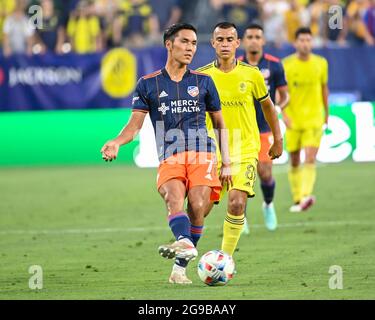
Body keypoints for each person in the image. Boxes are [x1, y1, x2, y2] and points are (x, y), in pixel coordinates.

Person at [100, 23, 232, 284]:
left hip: (201, 153)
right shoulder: (148, 84)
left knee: (197, 206)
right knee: (173, 198)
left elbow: (219, 124)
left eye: (194, 43)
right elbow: (134, 125)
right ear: (169, 45)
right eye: (184, 42)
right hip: (169, 154)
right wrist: (117, 142)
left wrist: (226, 162)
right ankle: (184, 244)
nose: (190, 48)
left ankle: (179, 267)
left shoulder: (204, 82)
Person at [197, 22, 283, 257]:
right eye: (220, 40)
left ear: (238, 43)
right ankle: (185, 249)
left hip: (245, 149)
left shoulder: (252, 74)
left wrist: (278, 139)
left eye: (230, 39)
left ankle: (224, 259)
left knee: (236, 203)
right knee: (199, 208)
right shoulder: (202, 76)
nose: (225, 44)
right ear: (213, 43)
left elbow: (268, 107)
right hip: (213, 151)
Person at [238, 23, 289, 232]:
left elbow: (285, 95)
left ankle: (268, 205)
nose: (253, 40)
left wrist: (278, 107)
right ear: (243, 41)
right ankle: (239, 216)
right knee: (240, 176)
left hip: (264, 128)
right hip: (240, 130)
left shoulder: (274, 65)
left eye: (257, 37)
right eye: (249, 36)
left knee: (265, 173)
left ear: (263, 41)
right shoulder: (234, 65)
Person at [282, 27, 329, 212]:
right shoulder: (286, 64)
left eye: (308, 40)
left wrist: (327, 112)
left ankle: (305, 196)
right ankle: (297, 198)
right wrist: (284, 115)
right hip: (294, 119)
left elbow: (324, 88)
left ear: (312, 42)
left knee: (310, 157)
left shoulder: (321, 63)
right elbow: (281, 93)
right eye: (301, 40)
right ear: (295, 43)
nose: (305, 43)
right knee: (294, 160)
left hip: (314, 118)